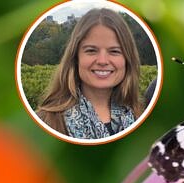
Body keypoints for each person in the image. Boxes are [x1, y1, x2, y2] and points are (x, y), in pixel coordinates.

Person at [36, 8, 142, 139]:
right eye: (91, 50)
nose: (102, 61)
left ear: (127, 59)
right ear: (75, 57)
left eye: (114, 51)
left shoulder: (142, 116)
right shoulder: (46, 122)